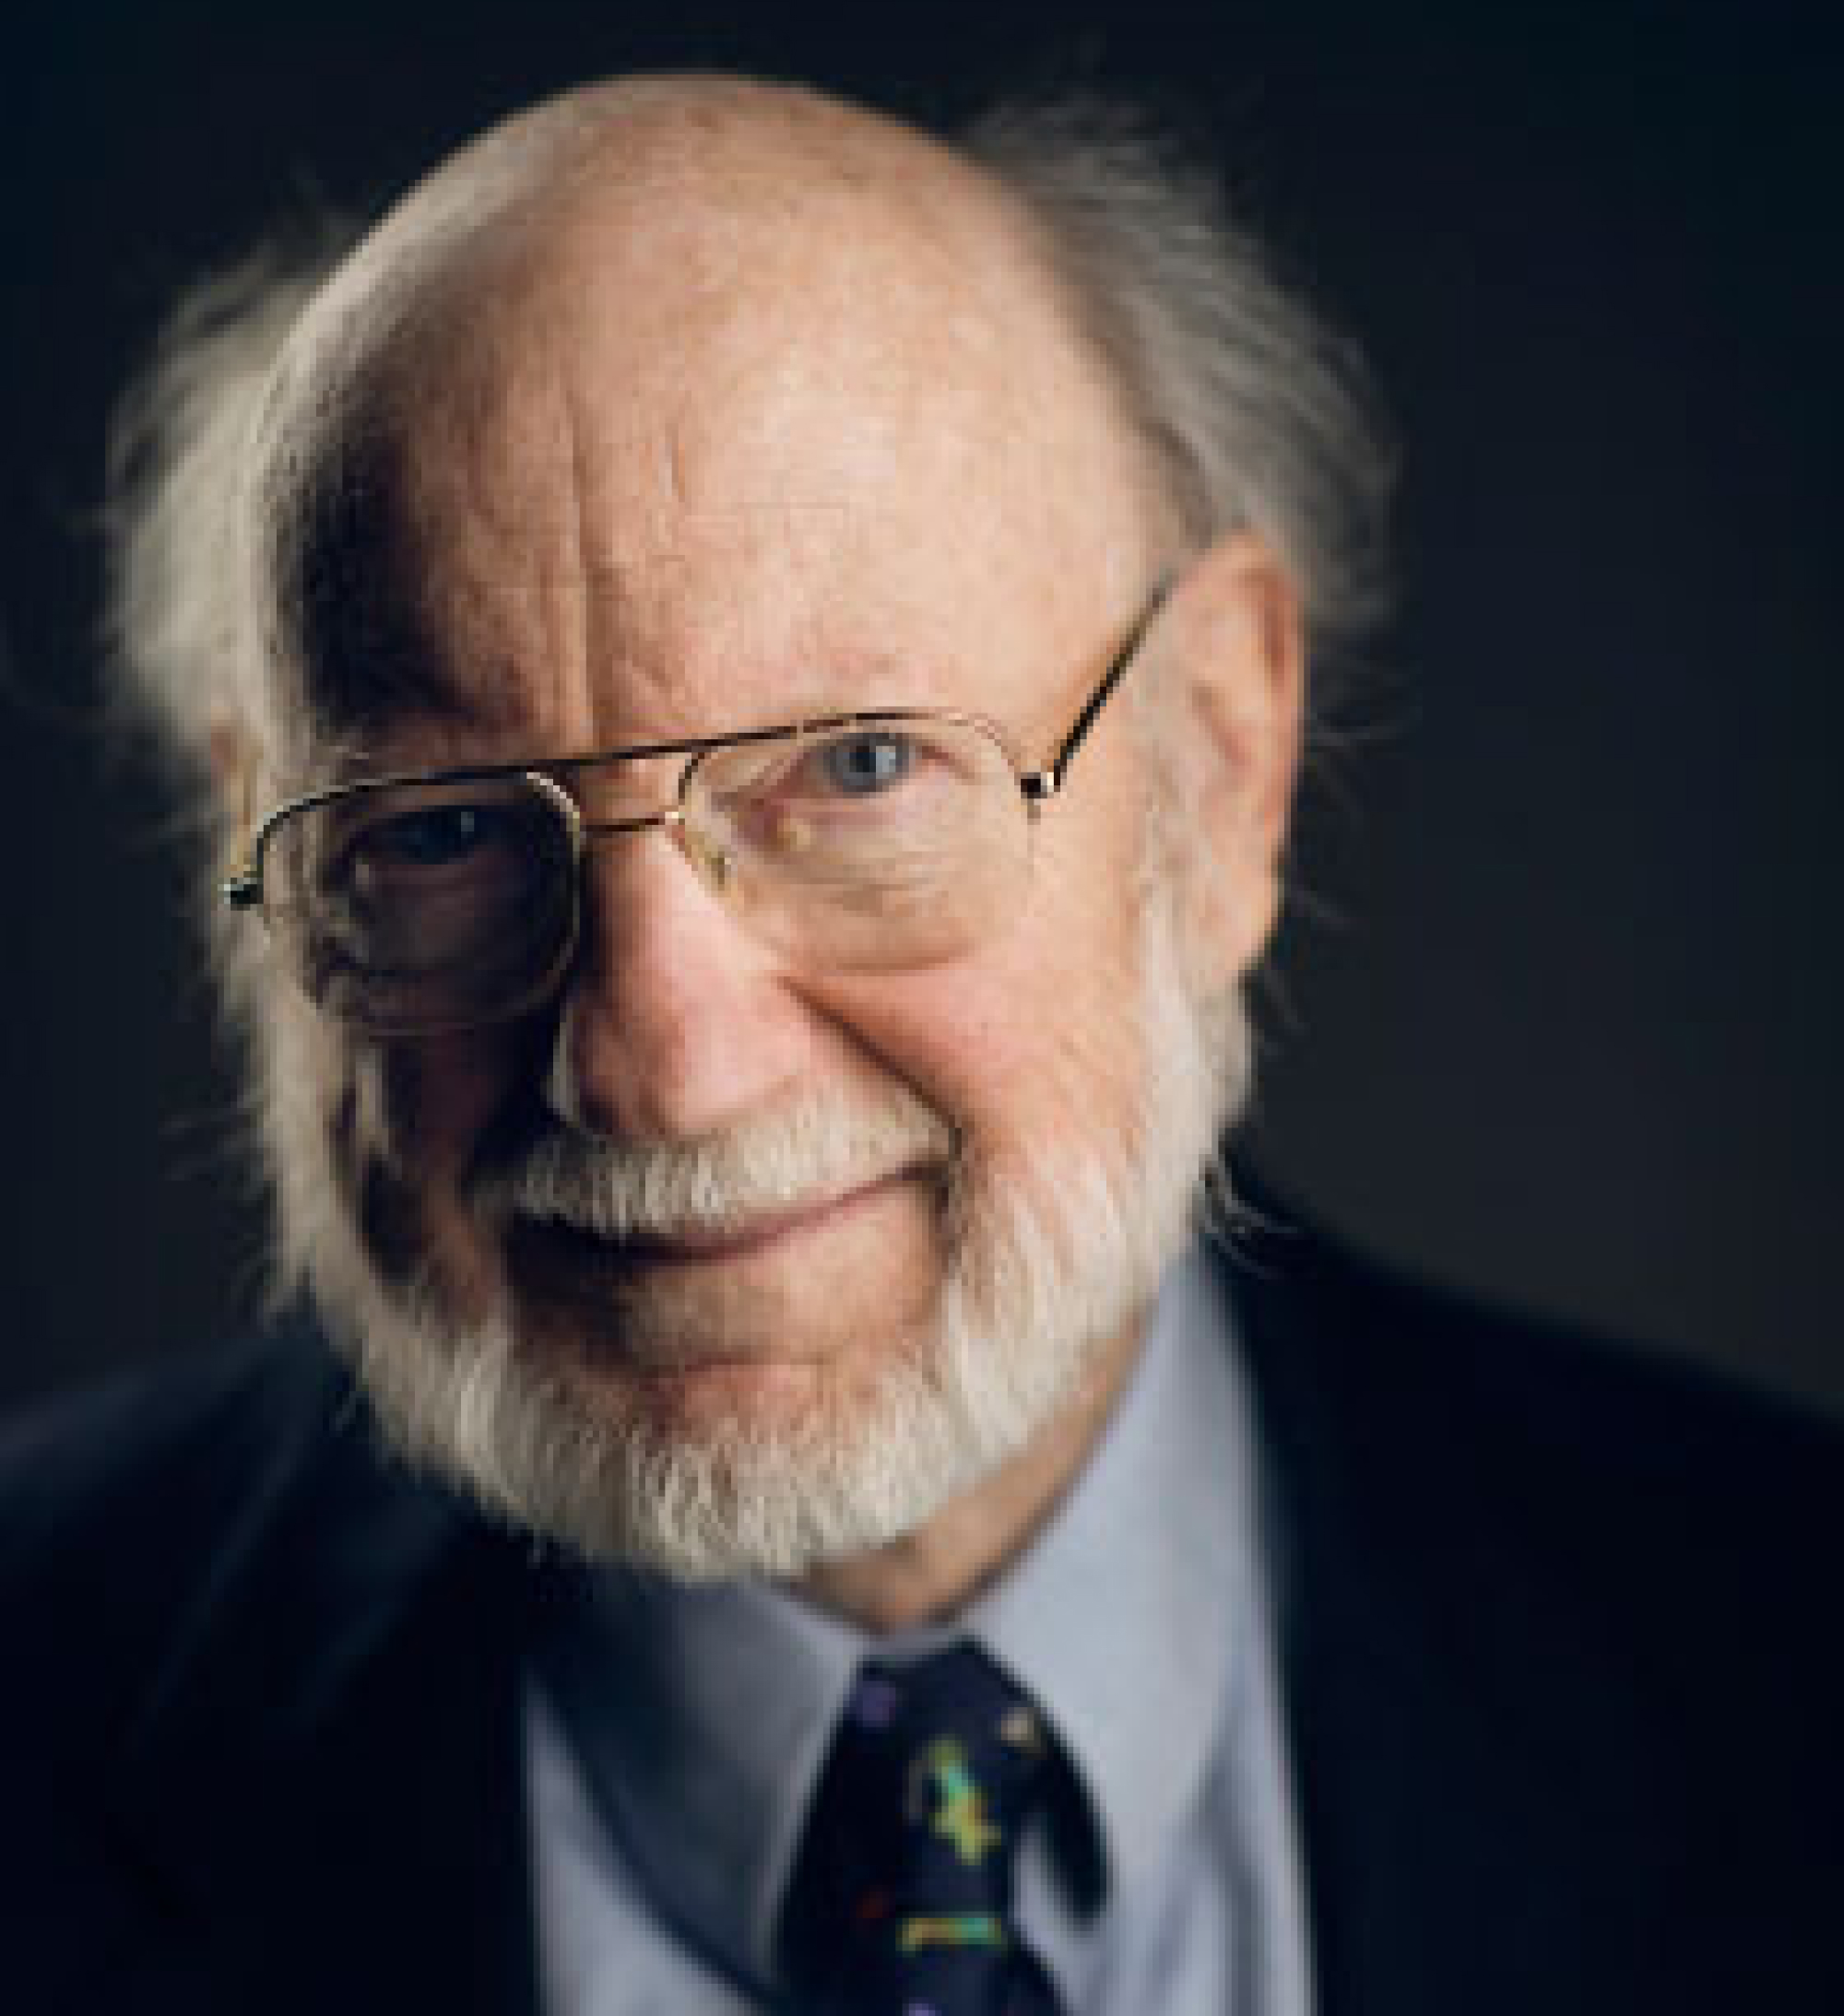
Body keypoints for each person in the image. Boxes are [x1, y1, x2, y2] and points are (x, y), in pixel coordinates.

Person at [3, 73, 1837, 2016]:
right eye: (442, 829)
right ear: (259, 857)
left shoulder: (1781, 1665)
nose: (655, 1067)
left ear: (1217, 763)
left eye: (860, 766)